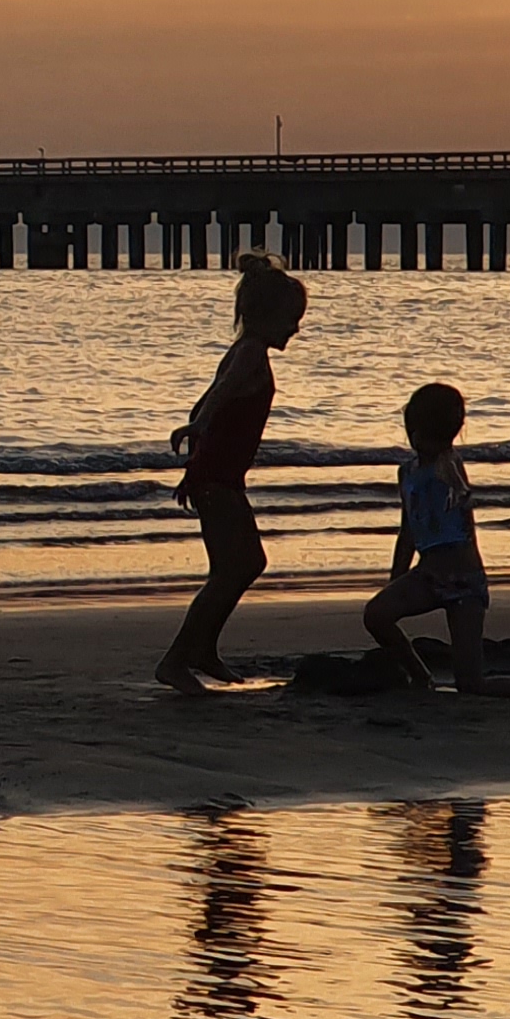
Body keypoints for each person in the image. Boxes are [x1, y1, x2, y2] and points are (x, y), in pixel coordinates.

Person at [156, 254, 307, 692]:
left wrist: (197, 443)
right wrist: (201, 431)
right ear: (265, 316)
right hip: (218, 478)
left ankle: (202, 650)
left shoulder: (243, 352)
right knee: (236, 568)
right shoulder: (251, 353)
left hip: (217, 474)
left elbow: (204, 402)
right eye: (291, 319)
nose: (295, 329)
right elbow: (217, 397)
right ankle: (177, 659)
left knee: (236, 565)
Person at [362, 381, 510, 696]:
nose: (417, 440)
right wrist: (395, 579)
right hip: (429, 574)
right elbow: (408, 532)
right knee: (376, 615)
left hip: (464, 579)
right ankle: (419, 675)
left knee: (470, 683)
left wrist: (458, 489)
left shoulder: (448, 463)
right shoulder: (407, 473)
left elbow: (458, 487)